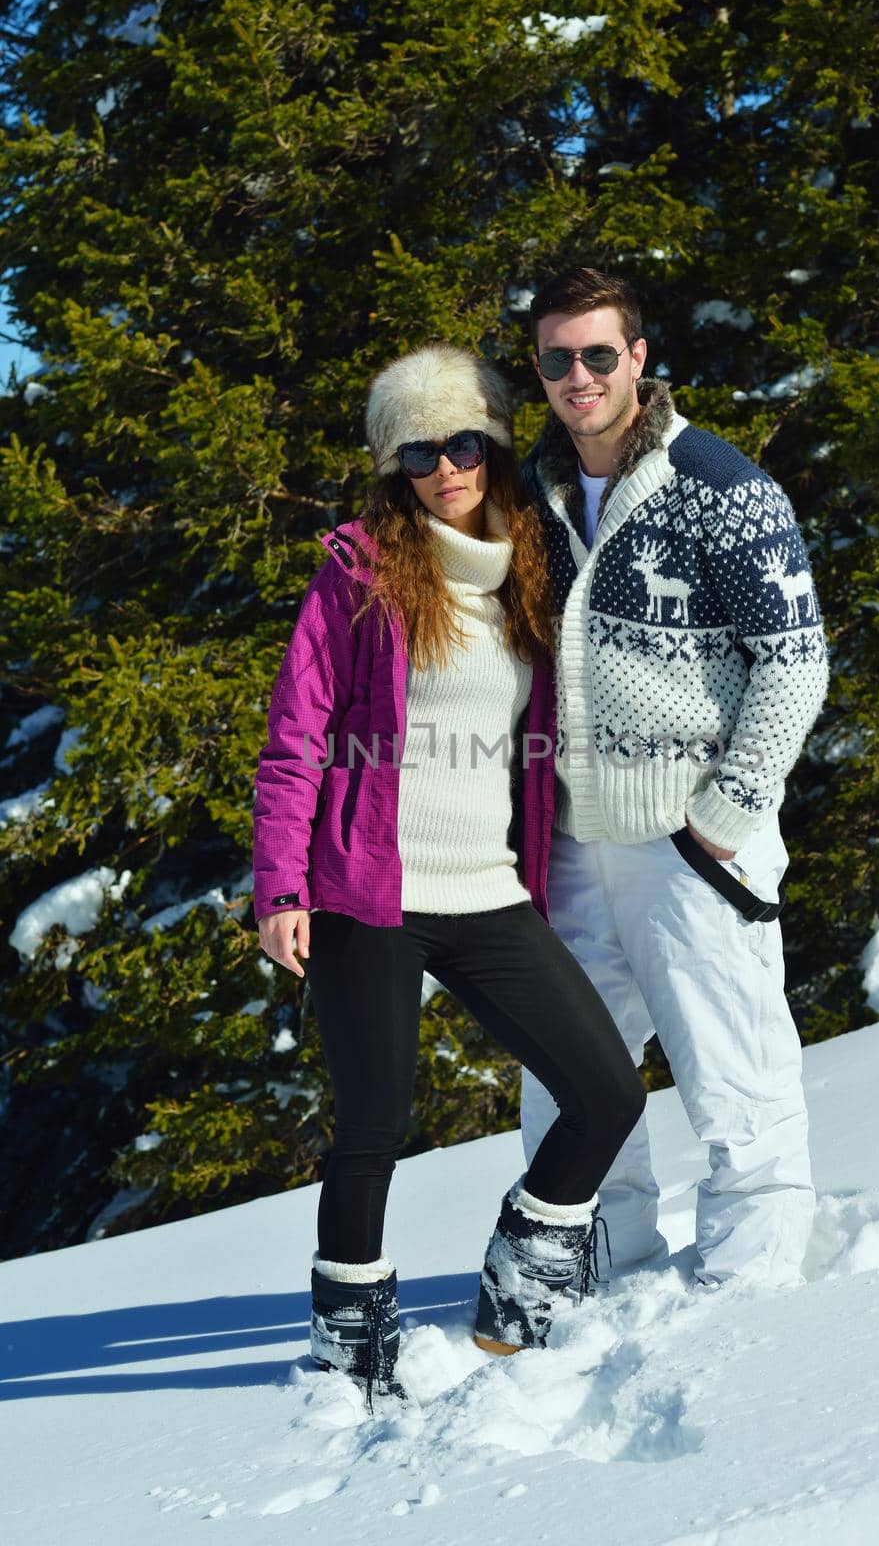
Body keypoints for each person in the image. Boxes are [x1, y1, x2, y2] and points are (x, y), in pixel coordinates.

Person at [252, 343, 644, 1410]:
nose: (446, 466)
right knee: (374, 1121)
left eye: (463, 441)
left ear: (495, 446)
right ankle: (348, 1342)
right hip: (367, 895)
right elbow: (297, 738)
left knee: (604, 1091)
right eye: (419, 451)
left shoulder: (531, 566)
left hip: (489, 892)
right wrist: (280, 888)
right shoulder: (359, 574)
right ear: (396, 467)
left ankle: (522, 1264)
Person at [518, 268, 829, 1291]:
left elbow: (794, 658)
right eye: (558, 357)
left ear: (638, 359)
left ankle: (751, 1287)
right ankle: (601, 1268)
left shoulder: (718, 484)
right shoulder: (534, 490)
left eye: (598, 354)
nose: (579, 376)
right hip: (574, 838)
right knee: (566, 1077)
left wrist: (732, 807)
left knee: (730, 1061)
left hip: (692, 838)